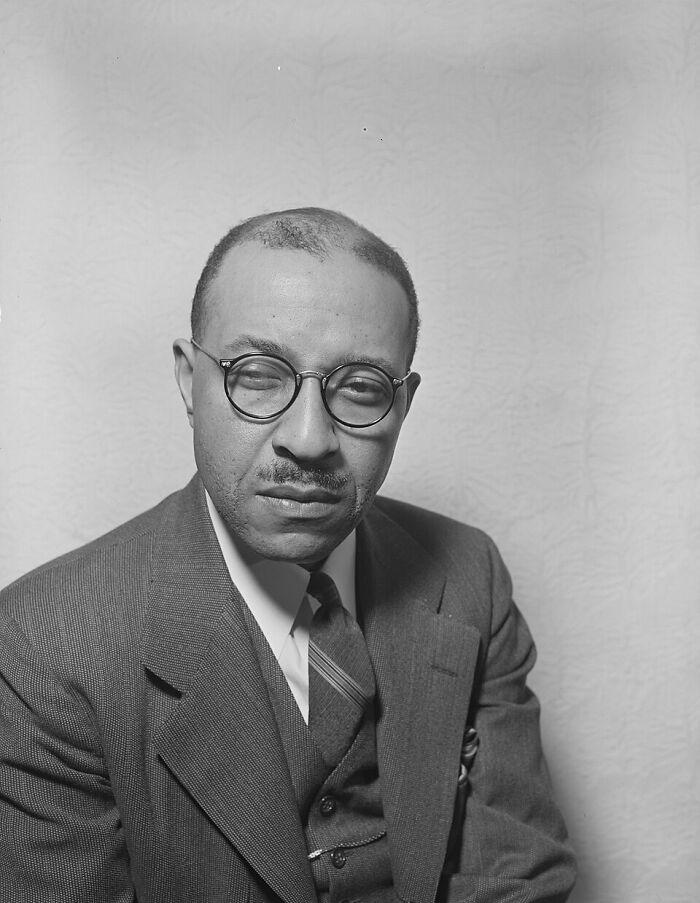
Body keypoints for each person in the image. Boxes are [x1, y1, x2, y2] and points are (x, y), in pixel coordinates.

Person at [0, 207, 576, 902]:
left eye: (360, 386)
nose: (309, 438)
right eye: (259, 375)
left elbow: (513, 880)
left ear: (404, 404)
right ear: (189, 380)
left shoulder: (468, 575)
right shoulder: (42, 642)